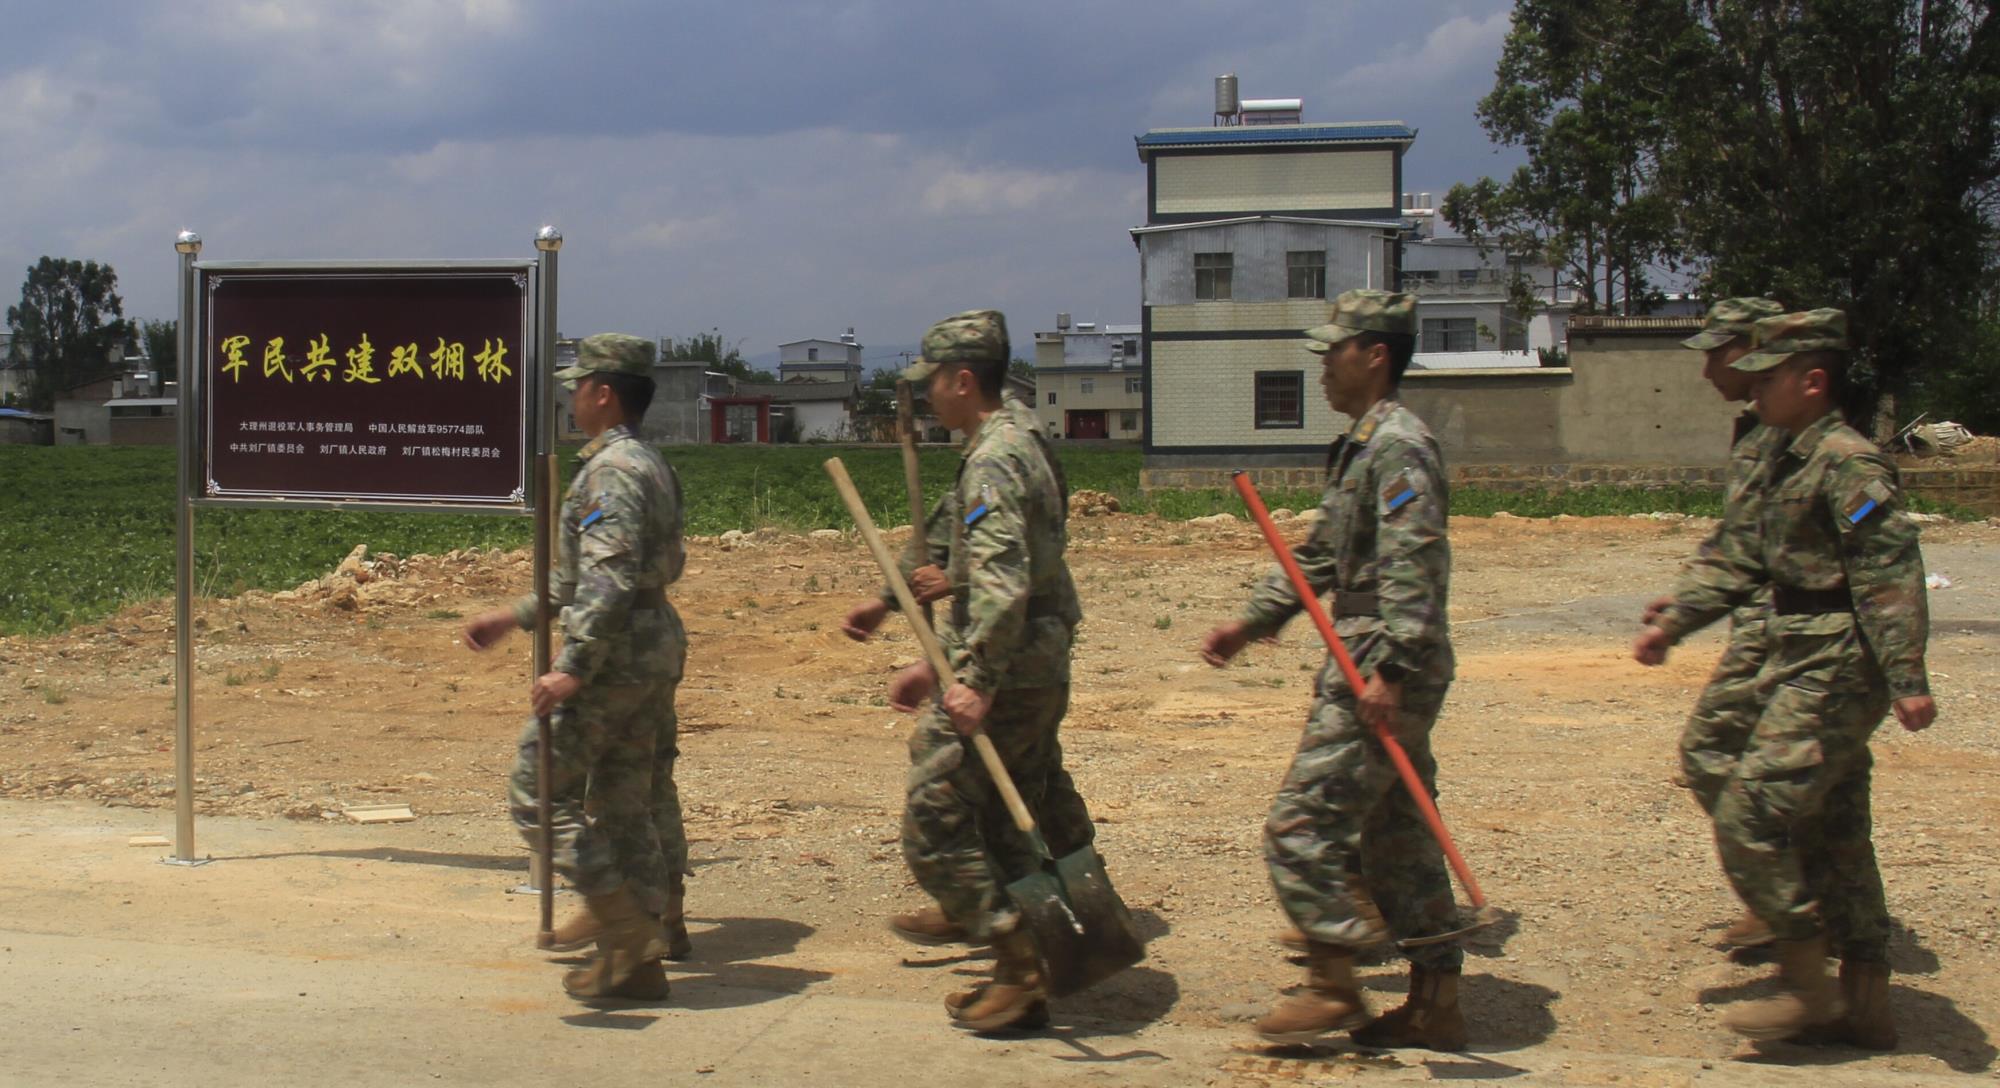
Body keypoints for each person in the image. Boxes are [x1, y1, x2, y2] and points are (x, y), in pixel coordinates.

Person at [1634, 309, 1936, 1047]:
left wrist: (1906, 677)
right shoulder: (1783, 453)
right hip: (1794, 646)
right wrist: (1676, 621)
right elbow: (1741, 557)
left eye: (1768, 378)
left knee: (1751, 812)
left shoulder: (1849, 462)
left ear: (1812, 381)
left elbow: (1889, 575)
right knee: (1831, 818)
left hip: (1836, 656)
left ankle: (1808, 985)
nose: (1752, 388)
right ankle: (1862, 998)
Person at [1200, 289, 1467, 1049]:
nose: (1321, 365)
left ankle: (1333, 982)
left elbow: (1416, 565)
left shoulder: (1398, 446)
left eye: (1335, 350)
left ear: (1375, 355)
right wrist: (1254, 621)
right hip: (1372, 646)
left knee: (1302, 822)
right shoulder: (1364, 443)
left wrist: (1394, 669)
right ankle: (1436, 998)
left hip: (1383, 654)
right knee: (1397, 833)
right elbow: (1317, 555)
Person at [846, 309, 1091, 1032]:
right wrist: (894, 604)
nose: (927, 399)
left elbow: (1001, 578)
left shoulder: (996, 457)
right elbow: (960, 549)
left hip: (1011, 661)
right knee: (1028, 795)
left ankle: (1019, 960)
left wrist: (974, 676)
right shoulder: (1019, 437)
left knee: (939, 807)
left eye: (933, 385)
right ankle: (1056, 919)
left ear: (963, 380)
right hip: (1033, 654)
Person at [462, 333, 690, 1002]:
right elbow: (578, 577)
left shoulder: (613, 472)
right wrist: (514, 616)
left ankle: (621, 925)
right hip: (647, 652)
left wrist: (576, 667)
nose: (570, 397)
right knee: (623, 801)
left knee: (537, 792)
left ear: (604, 393)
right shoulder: (643, 462)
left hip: (614, 658)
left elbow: (608, 578)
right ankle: (639, 957)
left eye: (578, 385)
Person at [1643, 297, 1787, 950]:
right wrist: (1683, 599)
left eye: (1716, 353)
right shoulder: (1758, 429)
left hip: (1784, 629)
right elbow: (1737, 536)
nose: (1706, 372)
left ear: (1752, 349)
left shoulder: (1790, 431)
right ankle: (1796, 902)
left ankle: (1785, 903)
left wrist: (1681, 619)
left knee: (1713, 755)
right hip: (1771, 622)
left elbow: (1758, 551)